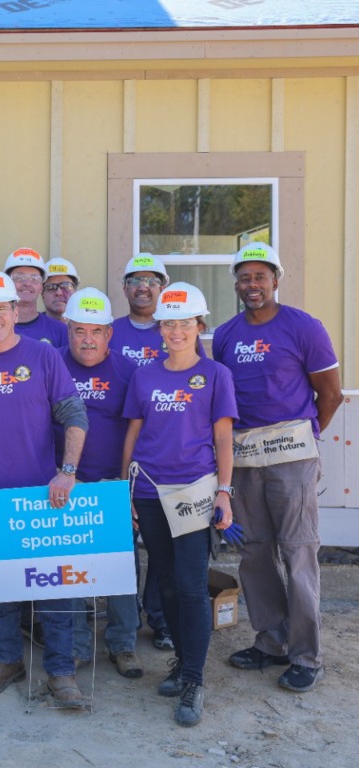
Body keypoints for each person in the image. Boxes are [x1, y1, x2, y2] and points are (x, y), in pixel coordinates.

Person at [0, 270, 88, 704]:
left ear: (16, 310)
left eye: (1, 308)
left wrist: (67, 471)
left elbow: (75, 416)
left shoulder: (44, 357)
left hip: (40, 498)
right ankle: (7, 659)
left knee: (56, 589)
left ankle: (61, 672)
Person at [213, 243, 343, 693]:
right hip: (244, 461)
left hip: (292, 461)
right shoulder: (227, 335)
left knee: (298, 553)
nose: (253, 285)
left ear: (276, 280)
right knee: (254, 553)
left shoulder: (304, 327)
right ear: (236, 283)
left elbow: (330, 394)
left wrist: (305, 439)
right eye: (245, 278)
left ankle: (306, 655)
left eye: (260, 277)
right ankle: (270, 642)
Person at [121, 282, 238, 727]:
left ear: (199, 326)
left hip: (194, 494)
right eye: (167, 323)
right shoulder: (146, 375)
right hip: (150, 492)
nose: (175, 330)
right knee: (165, 582)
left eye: (183, 323)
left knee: (190, 586)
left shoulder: (215, 375)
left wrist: (225, 491)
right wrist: (125, 485)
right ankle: (182, 663)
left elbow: (223, 437)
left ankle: (193, 679)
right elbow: (134, 433)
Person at [55, 288, 142, 678]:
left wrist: (128, 486)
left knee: (120, 567)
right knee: (70, 569)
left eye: (95, 331)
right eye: (78, 331)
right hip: (66, 485)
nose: (86, 340)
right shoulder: (52, 365)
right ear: (66, 329)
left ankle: (123, 643)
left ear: (110, 333)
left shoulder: (128, 372)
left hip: (112, 484)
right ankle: (76, 645)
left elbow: (140, 430)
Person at [108, 253, 177, 650]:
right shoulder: (110, 330)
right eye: (135, 279)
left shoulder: (173, 331)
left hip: (160, 452)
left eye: (152, 280)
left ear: (162, 288)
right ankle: (127, 615)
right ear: (125, 288)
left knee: (160, 538)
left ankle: (160, 616)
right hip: (116, 448)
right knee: (124, 536)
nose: (143, 287)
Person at [0, 249, 67, 348]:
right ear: (8, 283)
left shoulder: (60, 330)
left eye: (34, 279)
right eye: (19, 278)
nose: (27, 283)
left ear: (41, 287)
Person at [41, 257, 80, 325]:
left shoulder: (87, 328)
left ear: (75, 291)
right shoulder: (30, 330)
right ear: (42, 293)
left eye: (66, 286)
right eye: (51, 287)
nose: (59, 293)